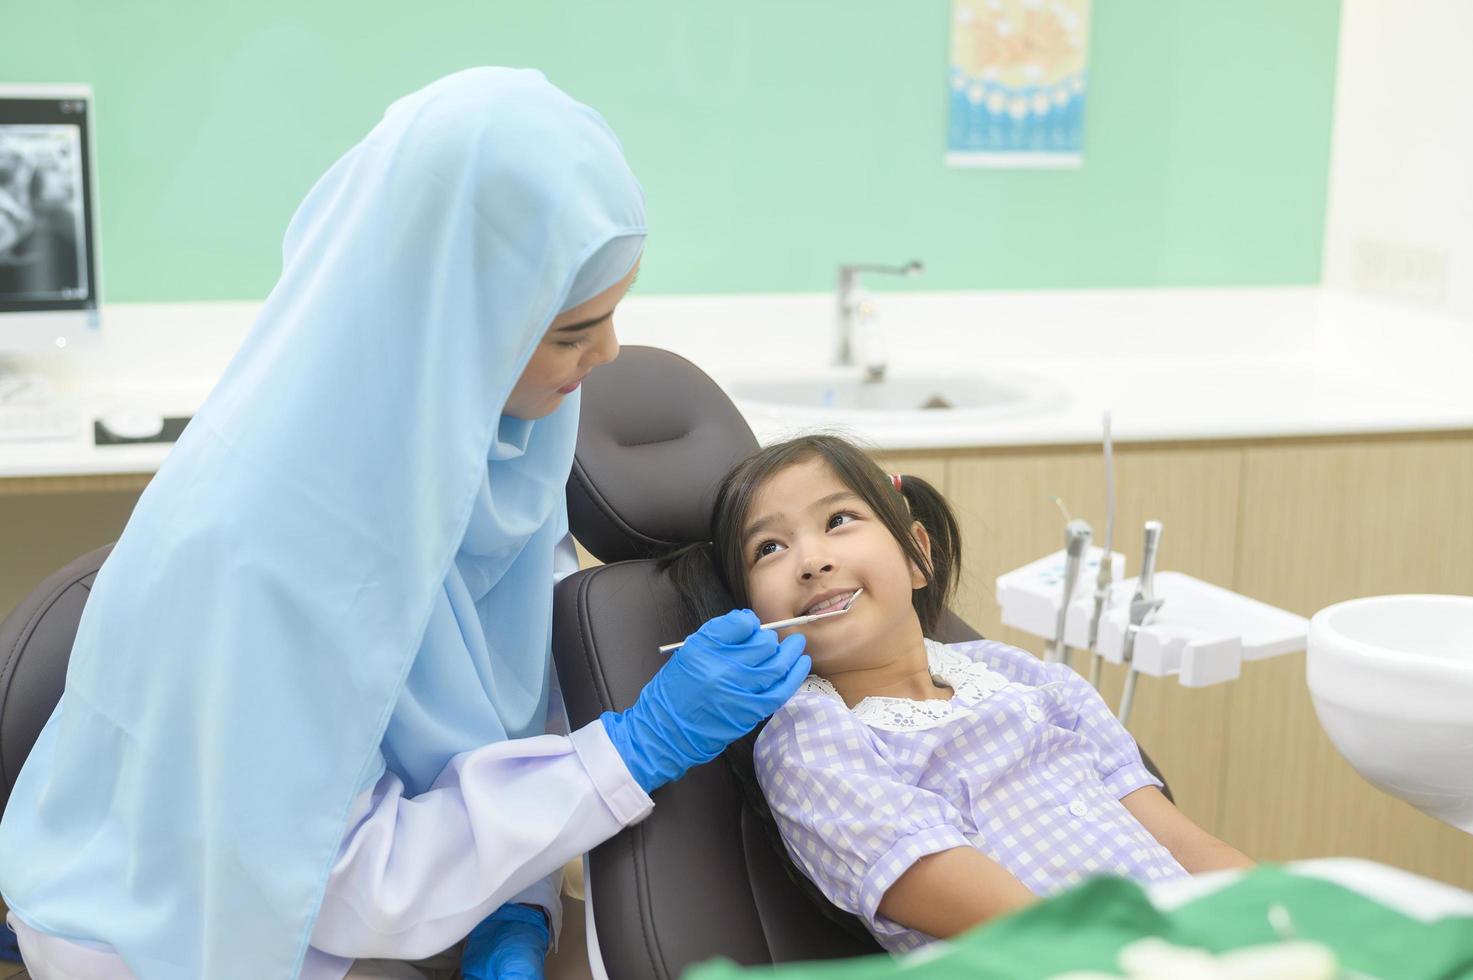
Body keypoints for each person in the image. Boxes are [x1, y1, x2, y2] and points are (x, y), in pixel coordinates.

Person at [0, 69, 809, 980]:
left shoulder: (499, 437)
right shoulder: (264, 543)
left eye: (614, 315)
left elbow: (507, 685)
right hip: (192, 927)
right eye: (574, 331)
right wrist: (631, 750)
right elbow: (326, 875)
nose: (610, 355)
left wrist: (522, 897)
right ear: (455, 327)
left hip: (406, 872)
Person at [666, 434, 1253, 954]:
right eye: (768, 548)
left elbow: (1183, 844)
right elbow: (1028, 930)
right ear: (749, 614)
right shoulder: (810, 737)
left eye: (838, 520)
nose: (812, 561)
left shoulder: (1020, 672)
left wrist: (1289, 921)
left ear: (918, 554)